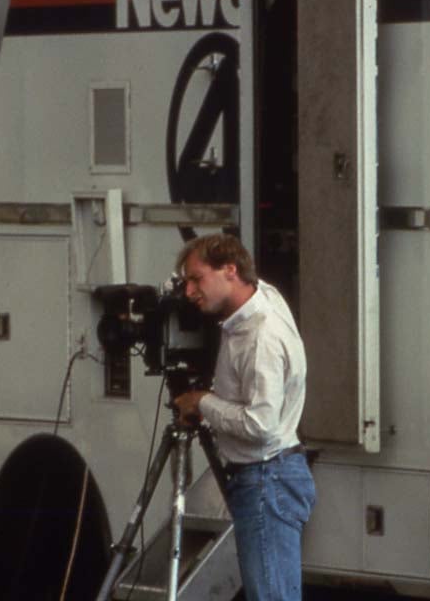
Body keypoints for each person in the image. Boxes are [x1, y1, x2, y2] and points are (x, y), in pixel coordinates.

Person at [172, 233, 315, 601]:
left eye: (196, 279)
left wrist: (202, 402)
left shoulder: (260, 336)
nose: (189, 292)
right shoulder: (258, 299)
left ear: (230, 270)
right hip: (269, 477)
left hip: (267, 478)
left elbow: (260, 426)